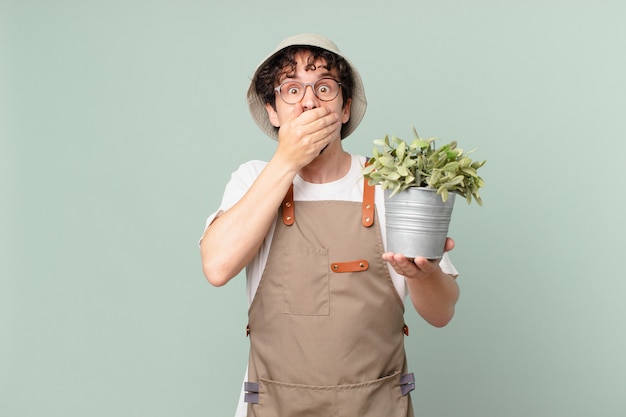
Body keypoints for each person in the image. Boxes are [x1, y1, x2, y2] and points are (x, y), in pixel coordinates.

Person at [199, 33, 460, 417]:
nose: (308, 100)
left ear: (344, 108)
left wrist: (422, 275)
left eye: (323, 87)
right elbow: (217, 267)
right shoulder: (252, 179)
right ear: (273, 111)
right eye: (291, 89)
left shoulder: (394, 185)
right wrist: (286, 161)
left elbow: (442, 313)